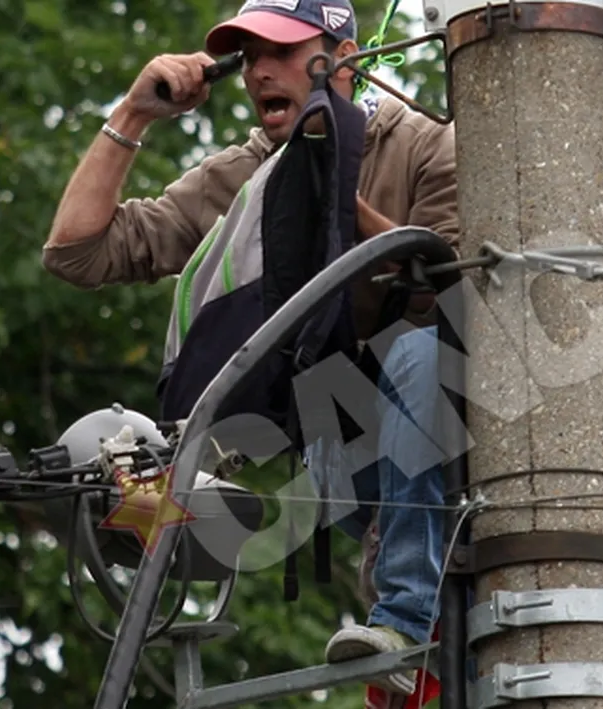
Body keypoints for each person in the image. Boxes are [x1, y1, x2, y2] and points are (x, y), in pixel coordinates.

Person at [41, 0, 457, 695]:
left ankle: (407, 618)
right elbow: (76, 253)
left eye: (284, 52)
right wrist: (134, 113)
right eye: (250, 56)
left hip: (466, 440)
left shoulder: (424, 146)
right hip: (347, 461)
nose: (262, 70)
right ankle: (403, 596)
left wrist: (335, 185)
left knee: (418, 350)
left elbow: (460, 294)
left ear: (343, 57)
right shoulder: (246, 177)